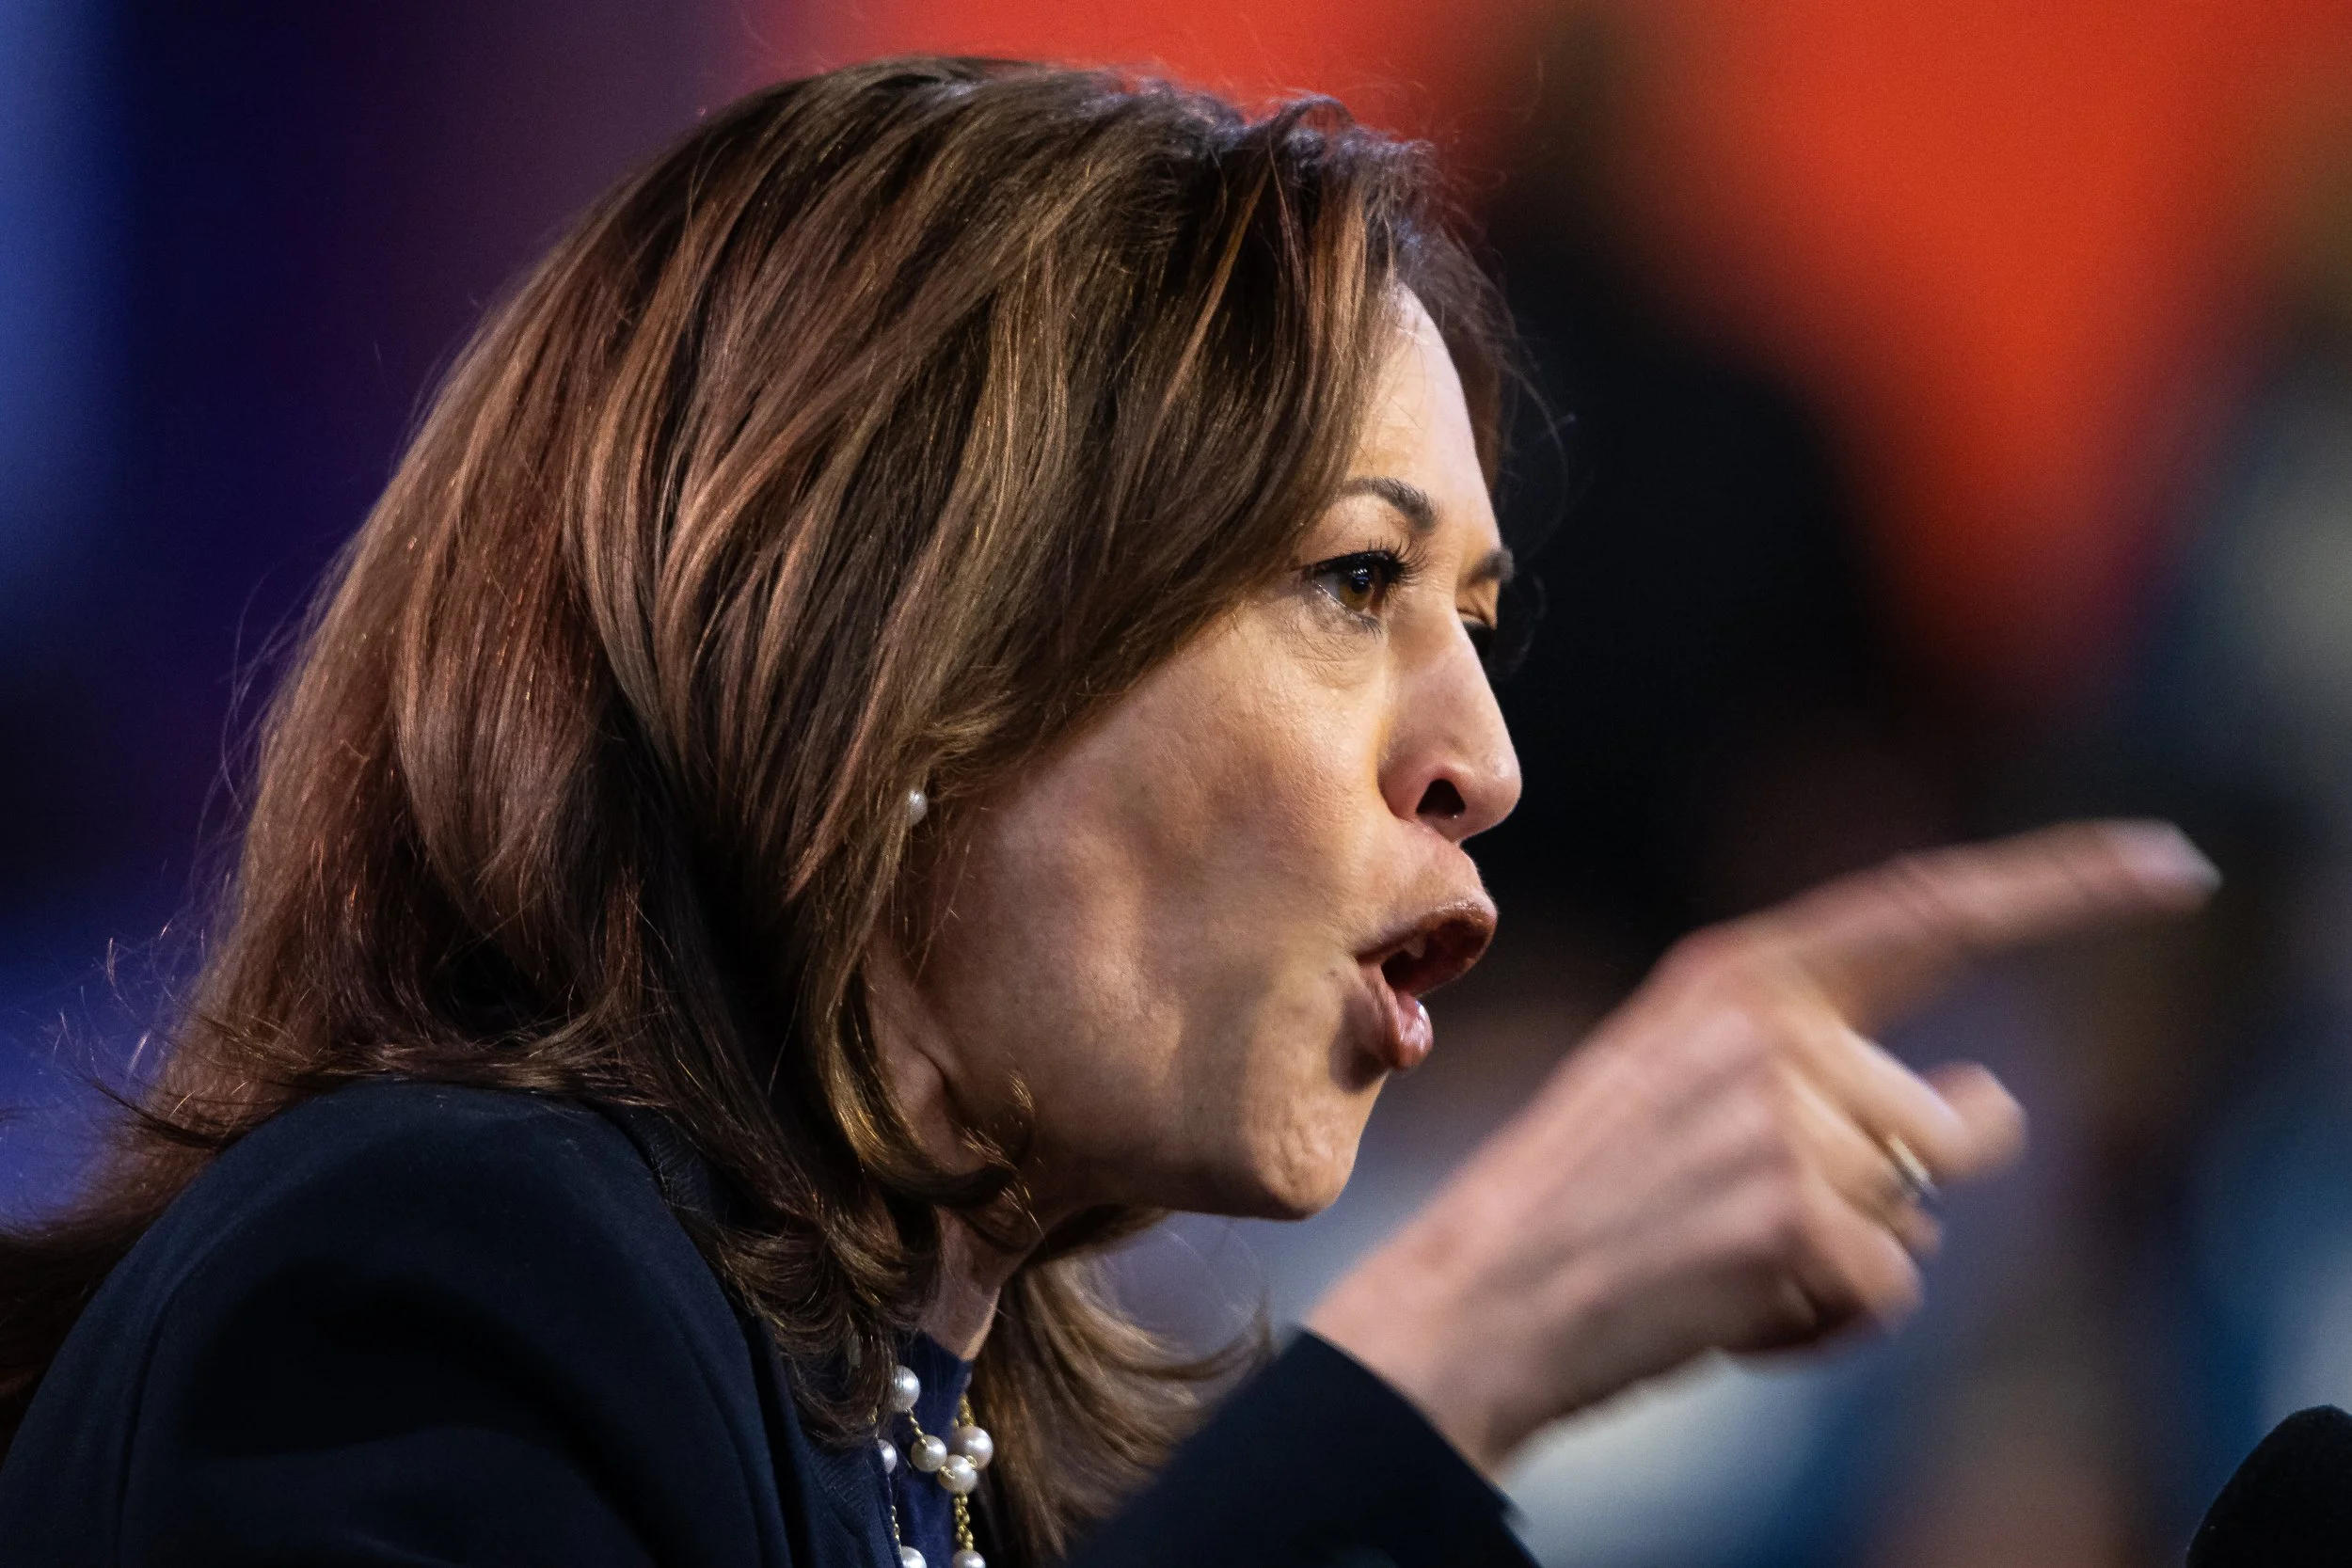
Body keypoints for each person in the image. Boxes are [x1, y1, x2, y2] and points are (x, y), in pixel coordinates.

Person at [0, 57, 2217, 1568]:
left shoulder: (965, 1438)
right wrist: (1457, 1335)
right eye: (1352, 581)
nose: (1482, 751)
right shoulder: (426, 1276)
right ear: (914, 654)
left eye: (1475, 607)